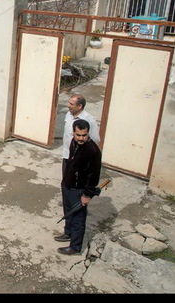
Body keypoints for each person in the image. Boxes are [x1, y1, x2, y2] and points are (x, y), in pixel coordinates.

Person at [55, 119, 102, 255]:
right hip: (68, 185)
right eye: (78, 135)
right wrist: (65, 182)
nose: (81, 138)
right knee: (68, 211)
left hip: (80, 190)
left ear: (88, 134)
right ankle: (68, 233)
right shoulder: (73, 143)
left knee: (78, 219)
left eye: (84, 135)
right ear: (73, 133)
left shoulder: (93, 151)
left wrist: (87, 194)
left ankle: (75, 247)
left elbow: (94, 175)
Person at [62, 94, 100, 176]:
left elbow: (95, 139)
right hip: (67, 154)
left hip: (80, 157)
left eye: (71, 104)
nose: (68, 106)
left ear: (80, 106)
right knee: (66, 178)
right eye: (69, 103)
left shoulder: (89, 120)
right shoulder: (69, 115)